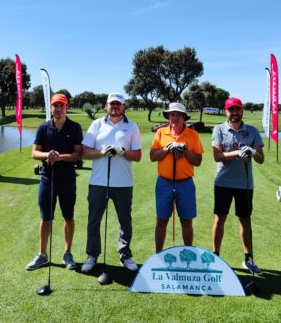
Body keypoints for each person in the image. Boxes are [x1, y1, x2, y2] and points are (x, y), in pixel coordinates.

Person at [81, 92, 142, 272]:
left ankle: (125, 254)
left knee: (125, 221)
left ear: (123, 107)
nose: (115, 107)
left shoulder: (132, 126)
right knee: (94, 220)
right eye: (112, 104)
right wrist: (101, 152)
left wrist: (122, 151)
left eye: (118, 104)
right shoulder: (97, 124)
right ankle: (92, 255)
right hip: (99, 182)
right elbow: (85, 151)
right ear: (106, 106)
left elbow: (137, 155)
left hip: (123, 183)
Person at [26, 93, 83, 271]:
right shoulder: (44, 128)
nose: (58, 110)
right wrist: (46, 155)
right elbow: (35, 153)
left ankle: (67, 253)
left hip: (67, 180)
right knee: (46, 218)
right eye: (55, 106)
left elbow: (78, 154)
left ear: (66, 108)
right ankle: (42, 255)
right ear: (50, 108)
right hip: (47, 179)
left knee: (68, 216)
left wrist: (59, 157)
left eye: (61, 106)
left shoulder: (74, 127)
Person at [211, 97, 265, 274]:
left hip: (245, 185)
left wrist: (253, 152)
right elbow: (217, 156)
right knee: (220, 219)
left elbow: (261, 159)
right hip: (223, 182)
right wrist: (238, 152)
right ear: (226, 112)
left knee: (245, 220)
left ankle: (248, 259)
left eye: (237, 110)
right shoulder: (219, 129)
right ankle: (215, 257)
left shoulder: (252, 131)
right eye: (231, 110)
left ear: (242, 111)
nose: (234, 113)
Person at [150, 102, 203, 252]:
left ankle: (189, 253)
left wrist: (185, 151)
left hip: (185, 183)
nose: (174, 117)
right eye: (172, 114)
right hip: (164, 182)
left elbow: (198, 161)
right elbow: (153, 156)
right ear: (168, 116)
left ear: (184, 117)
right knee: (161, 220)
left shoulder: (193, 135)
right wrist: (167, 149)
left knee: (186, 221)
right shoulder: (161, 133)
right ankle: (158, 254)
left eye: (178, 114)